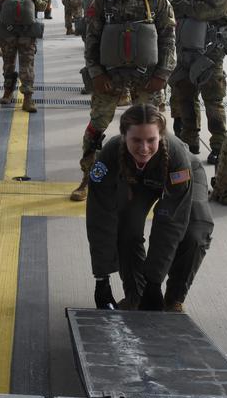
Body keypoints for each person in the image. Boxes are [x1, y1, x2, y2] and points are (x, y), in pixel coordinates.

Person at [71, 0, 176, 202]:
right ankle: (89, 177)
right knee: (96, 127)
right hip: (110, 76)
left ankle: (152, 177)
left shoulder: (156, 1)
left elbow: (168, 40)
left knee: (152, 130)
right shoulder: (103, 0)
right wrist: (96, 73)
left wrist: (162, 74)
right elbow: (91, 40)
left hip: (146, 78)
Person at [87, 104, 213, 312]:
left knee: (195, 234)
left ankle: (173, 300)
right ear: (123, 136)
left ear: (161, 136)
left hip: (180, 177)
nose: (143, 148)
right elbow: (99, 216)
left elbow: (170, 223)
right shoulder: (109, 156)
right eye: (136, 140)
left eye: (151, 140)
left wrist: (155, 280)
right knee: (125, 229)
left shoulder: (177, 158)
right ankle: (136, 296)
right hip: (137, 181)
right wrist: (102, 277)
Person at [169, 0, 227, 163]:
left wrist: (184, 8)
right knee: (186, 101)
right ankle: (190, 142)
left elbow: (201, 13)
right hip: (187, 57)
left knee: (213, 103)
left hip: (211, 60)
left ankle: (218, 146)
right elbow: (171, 4)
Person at [147, 0, 198, 138]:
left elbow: (192, 5)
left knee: (178, 84)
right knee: (155, 82)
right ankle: (156, 122)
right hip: (155, 37)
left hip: (179, 38)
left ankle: (179, 123)